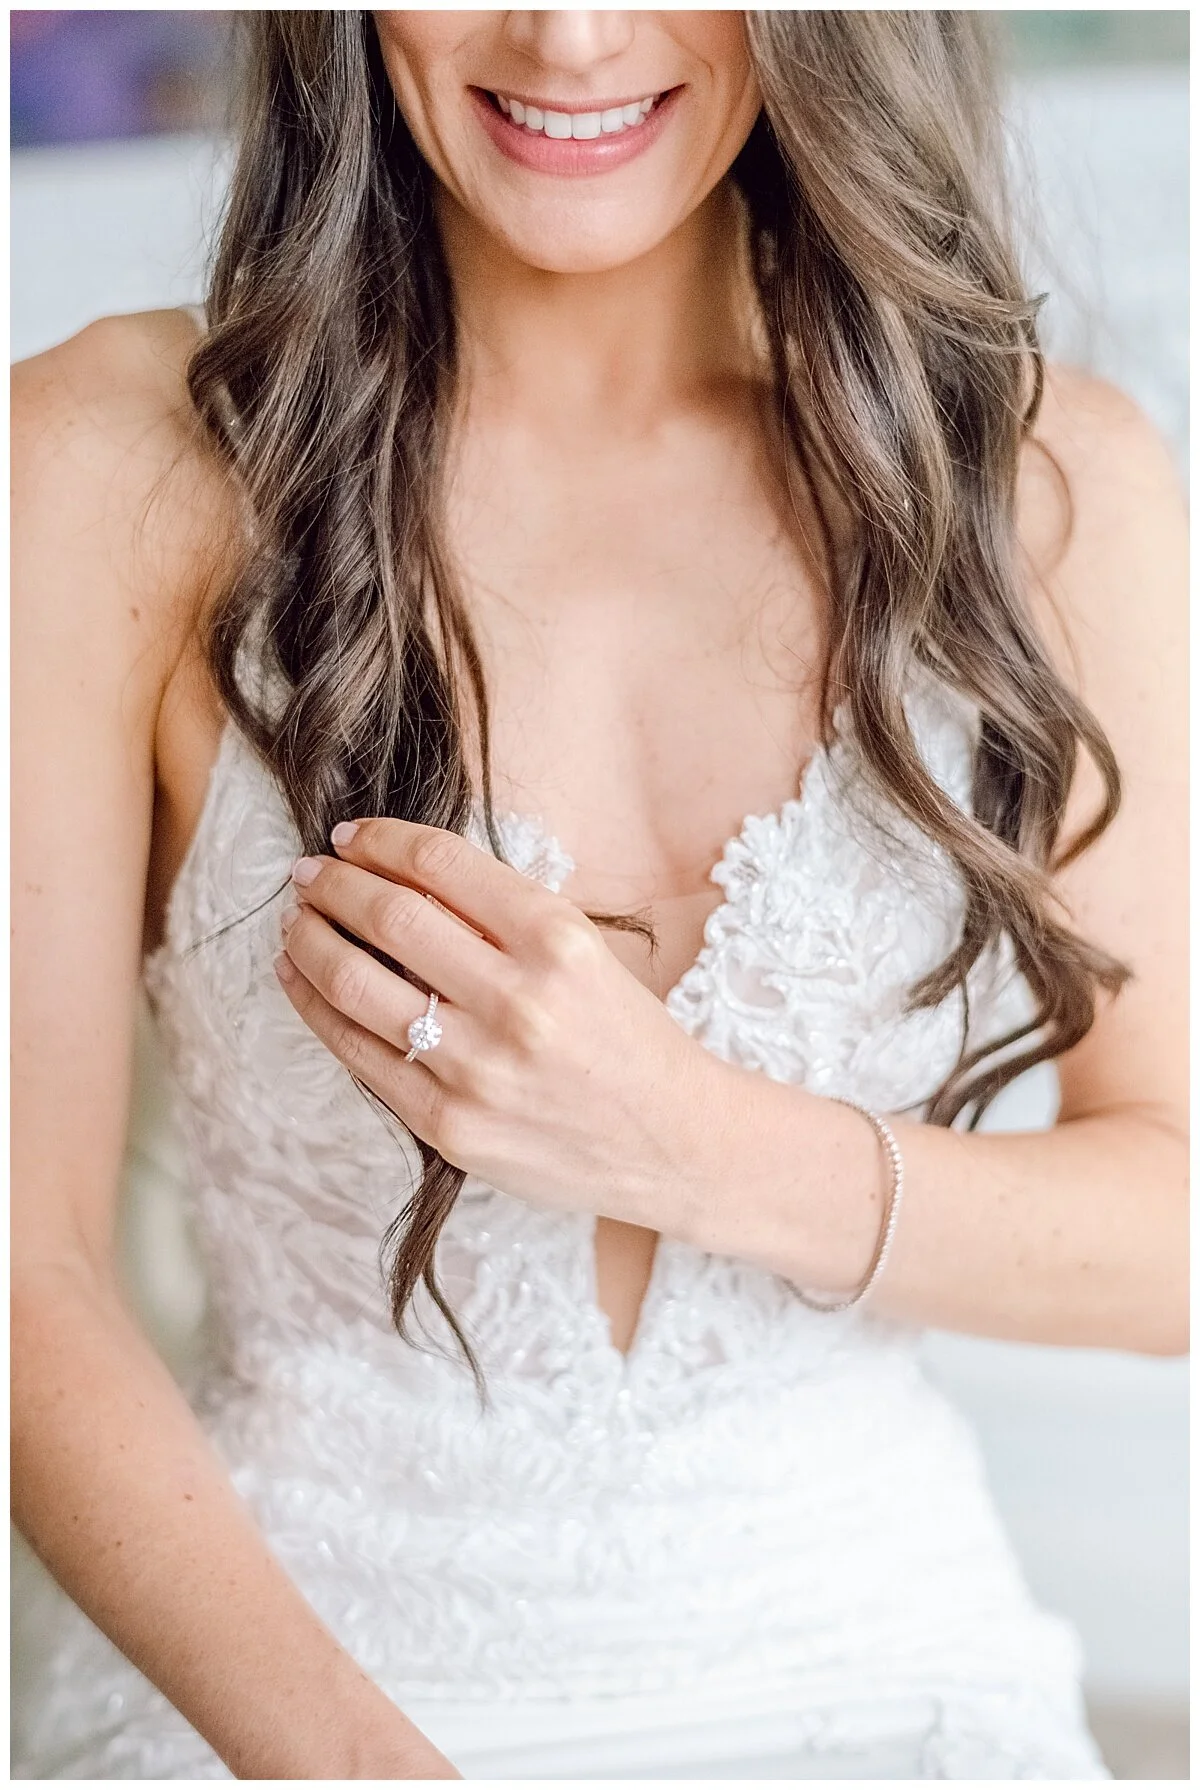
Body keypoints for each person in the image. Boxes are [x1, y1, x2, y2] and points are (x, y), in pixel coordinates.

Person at [11, 10, 1187, 1781]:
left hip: (882, 1667)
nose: (567, 38)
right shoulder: (106, 462)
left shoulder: (1047, 489)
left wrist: (685, 1138)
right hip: (294, 1684)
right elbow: (24, 1267)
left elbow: (1172, 1235)